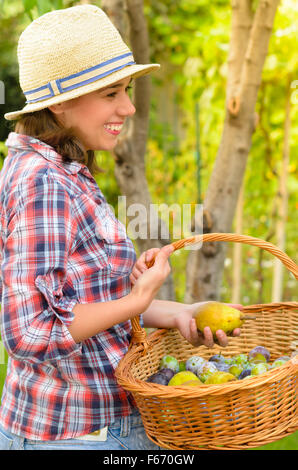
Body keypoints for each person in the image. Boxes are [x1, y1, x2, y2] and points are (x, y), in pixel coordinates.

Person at [0, 5, 242, 450]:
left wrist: (178, 313)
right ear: (59, 103)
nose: (128, 107)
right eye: (112, 93)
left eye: (126, 90)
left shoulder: (66, 171)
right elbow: (29, 333)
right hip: (73, 435)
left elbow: (88, 304)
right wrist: (139, 297)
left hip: (103, 426)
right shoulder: (43, 184)